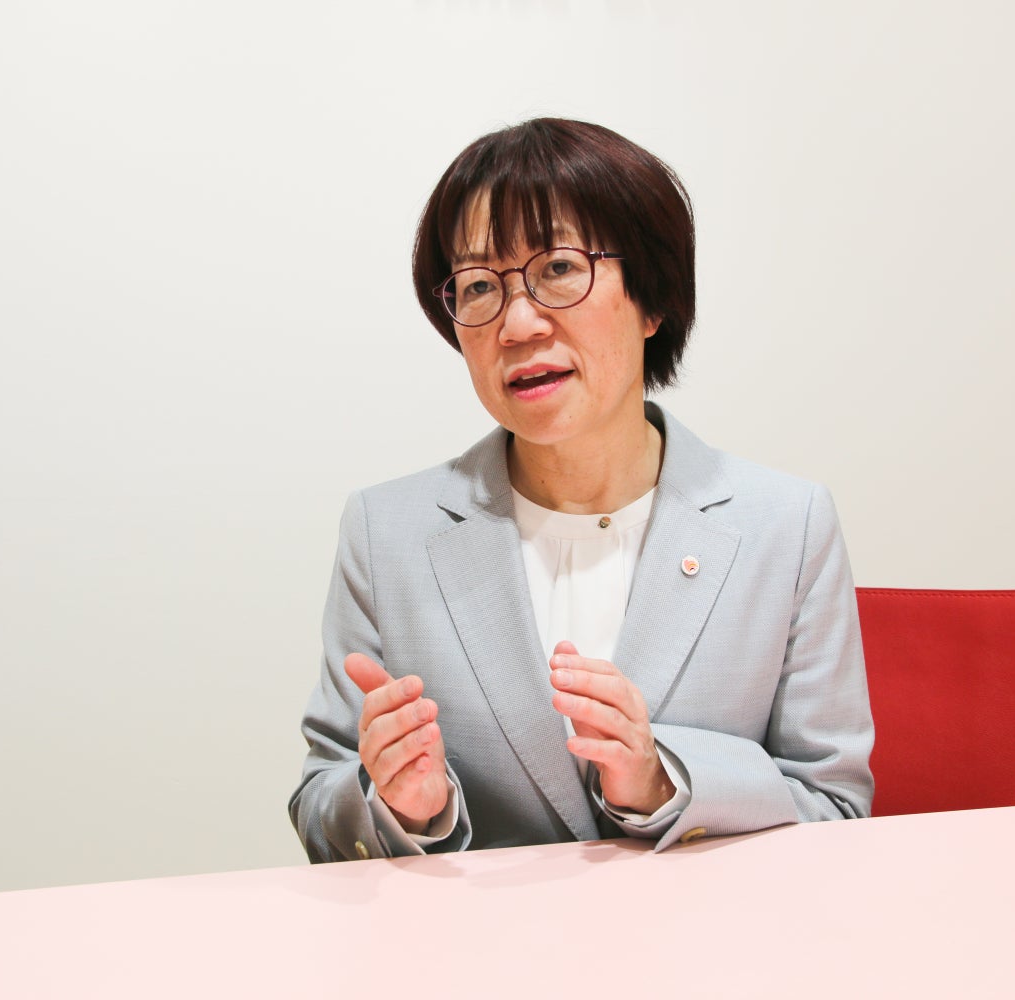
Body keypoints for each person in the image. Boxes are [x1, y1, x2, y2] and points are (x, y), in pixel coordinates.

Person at [290, 118, 873, 862]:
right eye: (479, 286)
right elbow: (321, 802)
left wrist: (663, 781)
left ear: (652, 300)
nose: (517, 324)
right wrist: (401, 807)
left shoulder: (786, 524)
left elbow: (835, 806)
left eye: (560, 268)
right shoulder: (387, 531)